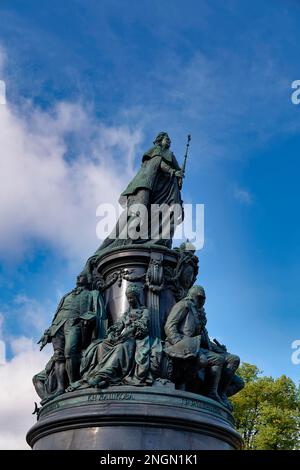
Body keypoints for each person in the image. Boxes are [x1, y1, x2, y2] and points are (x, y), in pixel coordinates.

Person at [94, 132, 184, 255]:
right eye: (166, 139)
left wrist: (178, 174)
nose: (169, 141)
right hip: (144, 185)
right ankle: (127, 238)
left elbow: (177, 168)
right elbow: (160, 163)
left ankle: (140, 236)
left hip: (157, 191)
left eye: (170, 140)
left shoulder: (170, 155)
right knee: (139, 210)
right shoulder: (156, 151)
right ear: (160, 140)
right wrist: (174, 172)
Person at [68, 284, 159, 390]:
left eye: (131, 298)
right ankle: (98, 375)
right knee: (101, 345)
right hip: (122, 337)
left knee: (120, 348)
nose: (129, 300)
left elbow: (141, 325)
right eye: (128, 298)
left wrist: (127, 333)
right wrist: (112, 333)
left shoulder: (144, 311)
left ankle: (102, 376)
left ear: (137, 297)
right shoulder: (126, 313)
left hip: (135, 339)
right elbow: (119, 325)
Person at [164, 285, 240, 409]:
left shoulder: (199, 321)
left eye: (203, 299)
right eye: (200, 298)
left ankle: (220, 393)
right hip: (183, 344)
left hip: (197, 346)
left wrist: (221, 350)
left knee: (234, 359)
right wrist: (179, 343)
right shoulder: (184, 305)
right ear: (194, 295)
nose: (202, 302)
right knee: (217, 359)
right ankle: (211, 392)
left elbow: (206, 342)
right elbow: (170, 326)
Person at [38, 273, 106, 399]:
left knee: (70, 351)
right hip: (58, 326)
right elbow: (57, 314)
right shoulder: (67, 296)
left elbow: (96, 313)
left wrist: (86, 318)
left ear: (89, 280)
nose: (78, 277)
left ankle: (74, 382)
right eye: (78, 276)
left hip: (75, 323)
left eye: (82, 276)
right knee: (58, 356)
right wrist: (48, 331)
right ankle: (60, 387)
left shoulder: (92, 294)